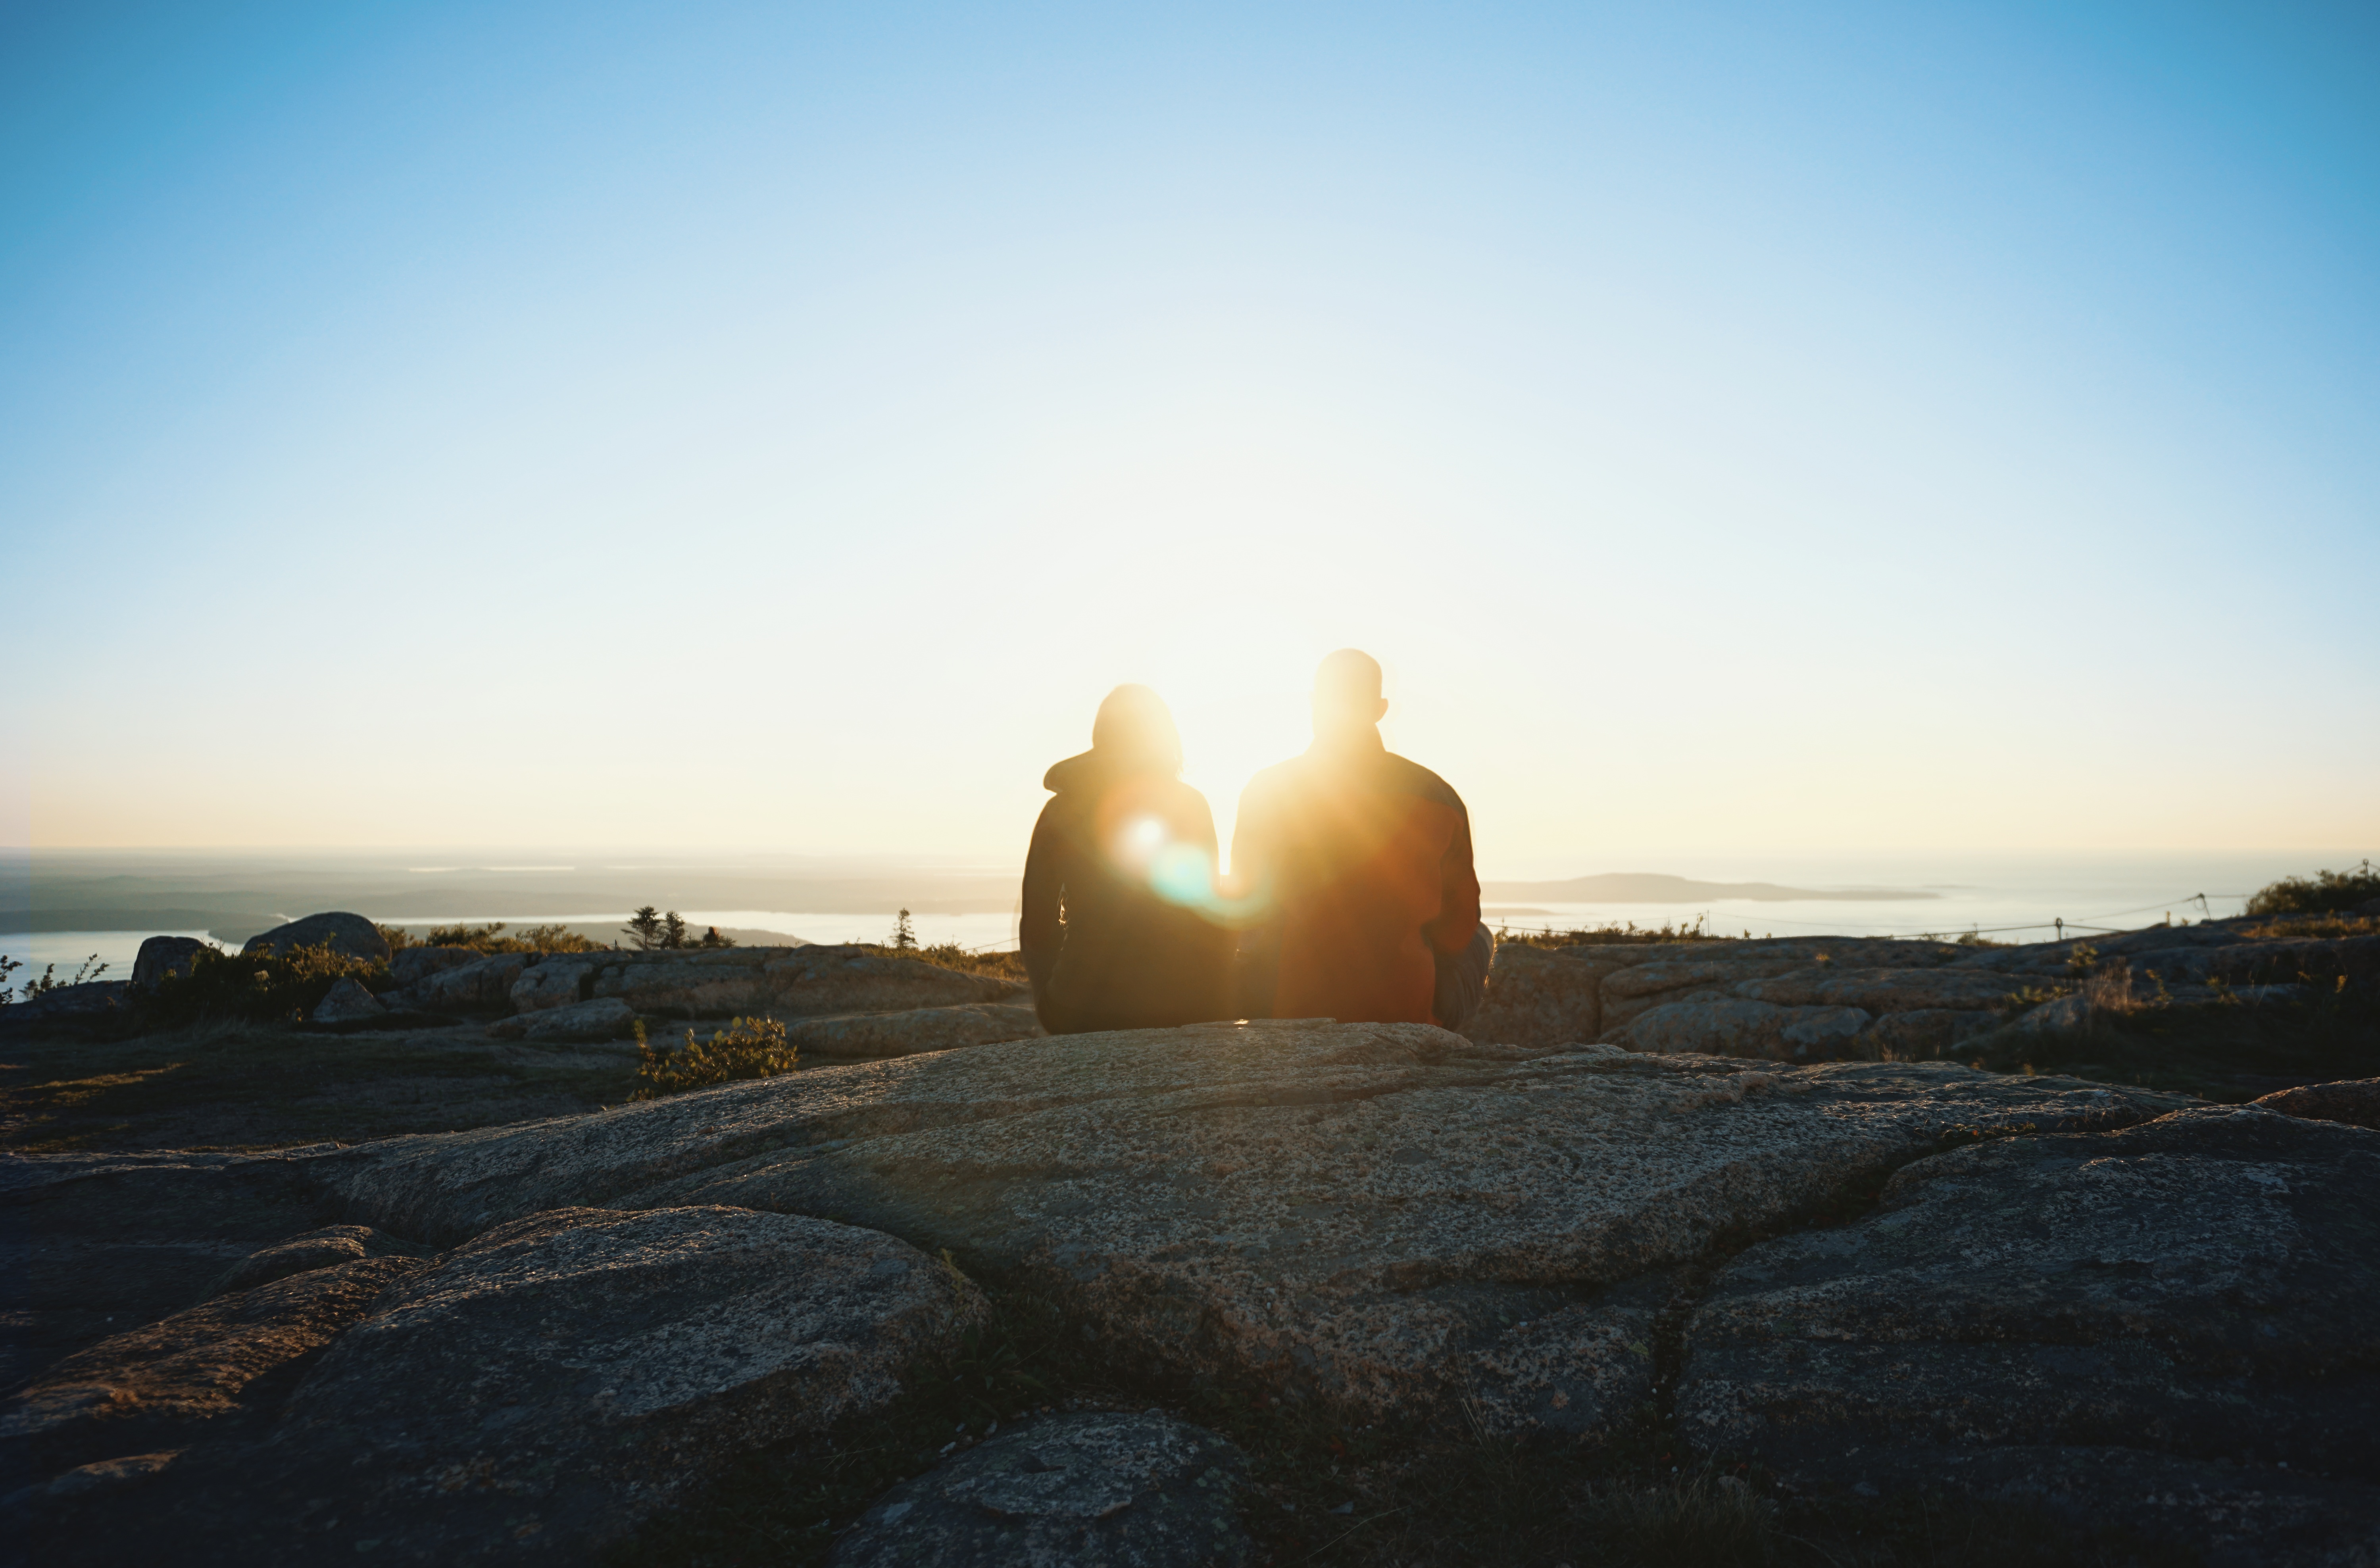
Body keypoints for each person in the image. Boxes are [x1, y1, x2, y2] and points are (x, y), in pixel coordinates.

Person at [1230, 649, 1492, 1028]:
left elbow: (1244, 908)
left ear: (1315, 703)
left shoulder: (1267, 791)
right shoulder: (1439, 796)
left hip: (1289, 1008)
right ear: (1380, 709)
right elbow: (1460, 922)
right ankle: (1438, 1041)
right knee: (1481, 936)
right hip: (1405, 1012)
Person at [1020, 684, 1233, 1034]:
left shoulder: (1059, 812)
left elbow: (1036, 931)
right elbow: (1214, 921)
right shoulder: (1191, 805)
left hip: (1080, 1010)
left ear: (1100, 736)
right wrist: (1215, 1006)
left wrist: (1050, 1002)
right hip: (1183, 1007)